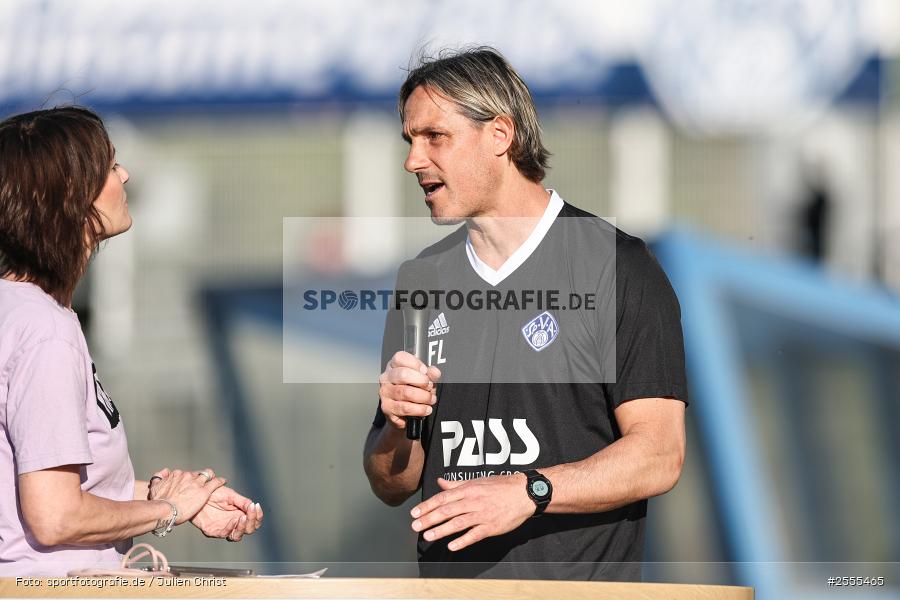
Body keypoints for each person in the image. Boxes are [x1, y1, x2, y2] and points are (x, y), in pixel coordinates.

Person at [363, 47, 687, 581]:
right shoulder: (422, 279)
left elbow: (658, 454)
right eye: (410, 141)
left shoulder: (615, 265)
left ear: (500, 135)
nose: (413, 160)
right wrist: (396, 426)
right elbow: (391, 483)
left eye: (434, 137)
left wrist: (528, 490)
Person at [0, 107, 263, 576]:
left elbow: (45, 486)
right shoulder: (44, 331)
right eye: (110, 166)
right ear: (71, 198)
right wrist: (168, 512)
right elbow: (55, 516)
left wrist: (171, 496)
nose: (125, 175)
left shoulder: (23, 312)